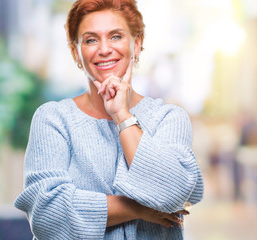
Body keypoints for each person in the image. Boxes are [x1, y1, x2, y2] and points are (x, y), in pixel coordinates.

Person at [14, 0, 204, 239]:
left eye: (116, 36)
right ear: (76, 51)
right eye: (91, 39)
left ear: (137, 43)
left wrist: (122, 116)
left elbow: (171, 192)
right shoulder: (53, 119)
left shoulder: (169, 119)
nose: (104, 49)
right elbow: (46, 216)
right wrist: (138, 208)